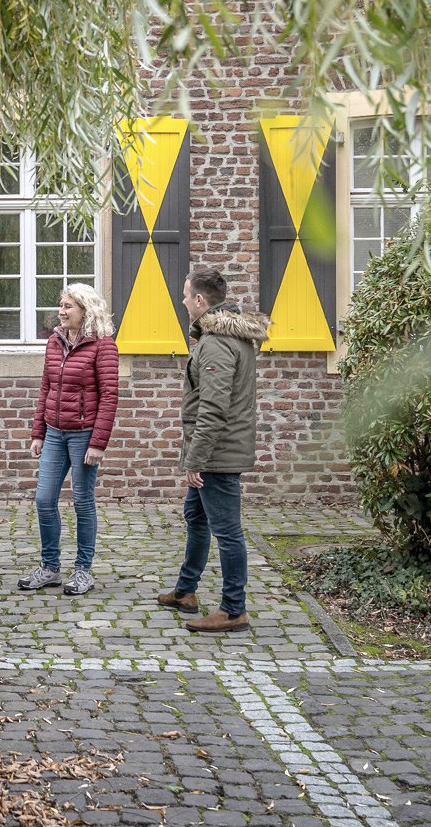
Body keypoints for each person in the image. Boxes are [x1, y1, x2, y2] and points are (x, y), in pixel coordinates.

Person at [156, 267, 267, 633]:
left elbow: (214, 407)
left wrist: (196, 460)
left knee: (228, 531)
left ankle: (234, 610)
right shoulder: (224, 336)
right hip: (214, 449)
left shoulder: (217, 342)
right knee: (197, 517)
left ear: (200, 300)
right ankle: (185, 591)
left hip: (217, 454)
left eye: (186, 295)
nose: (183, 300)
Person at [18, 284, 119, 596]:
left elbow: (109, 396)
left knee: (83, 501)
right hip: (54, 432)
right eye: (61, 305)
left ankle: (82, 570)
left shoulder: (103, 346)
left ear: (85, 311)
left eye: (67, 306)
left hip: (84, 435)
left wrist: (98, 443)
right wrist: (38, 432)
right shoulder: (54, 341)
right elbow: (46, 388)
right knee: (44, 499)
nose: (61, 312)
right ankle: (50, 567)